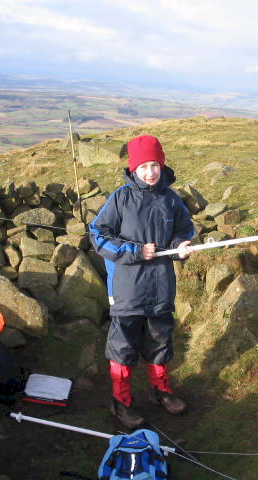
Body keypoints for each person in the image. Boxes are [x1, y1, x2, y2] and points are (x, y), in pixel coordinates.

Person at [89, 134, 194, 429]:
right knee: (122, 346)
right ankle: (121, 403)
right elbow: (98, 236)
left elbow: (185, 229)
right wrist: (135, 251)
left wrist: (180, 246)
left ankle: (161, 392)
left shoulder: (171, 200)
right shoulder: (121, 198)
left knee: (160, 340)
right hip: (127, 289)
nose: (150, 172)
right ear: (133, 168)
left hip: (160, 287)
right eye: (144, 166)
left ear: (162, 165)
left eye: (155, 165)